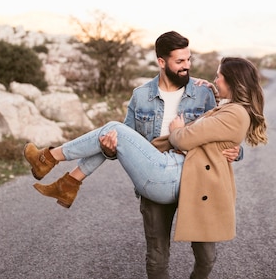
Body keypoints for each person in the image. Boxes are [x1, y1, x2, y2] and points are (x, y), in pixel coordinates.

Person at [24, 31, 247, 278]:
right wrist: (109, 149)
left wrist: (237, 152)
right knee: (157, 256)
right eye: (180, 62)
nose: (187, 67)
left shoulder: (204, 92)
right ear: (161, 62)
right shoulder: (141, 95)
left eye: (189, 60)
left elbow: (221, 130)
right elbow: (125, 144)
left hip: (198, 180)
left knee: (206, 257)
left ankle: (57, 169)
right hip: (154, 173)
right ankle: (60, 173)